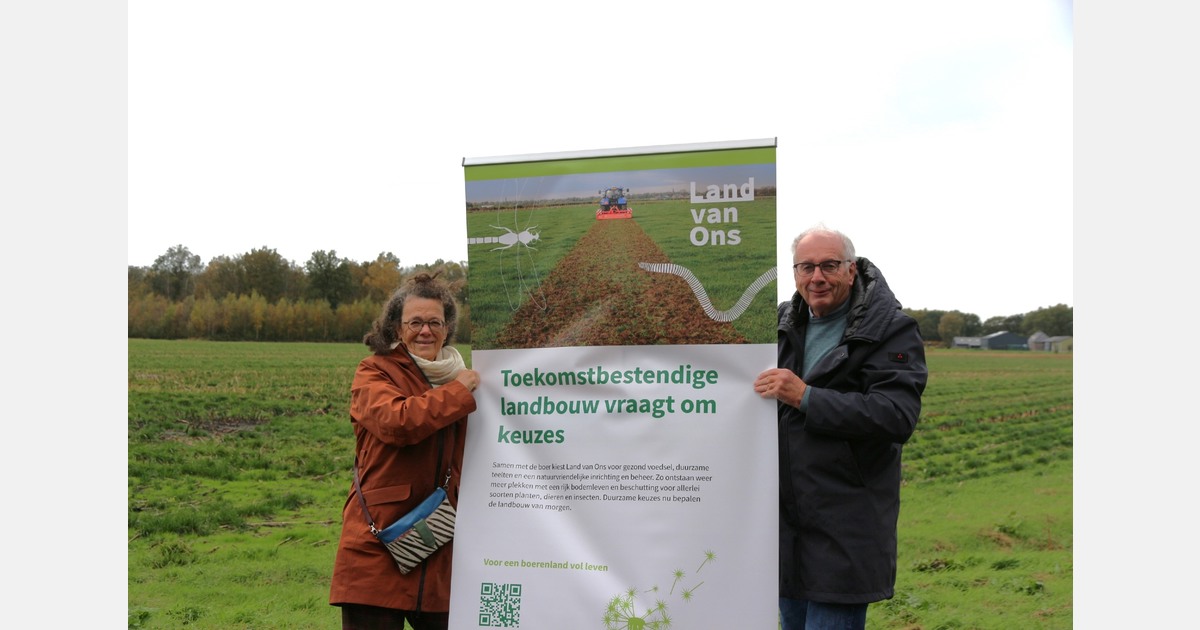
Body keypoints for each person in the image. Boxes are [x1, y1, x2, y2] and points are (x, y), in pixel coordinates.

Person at [753, 225, 927, 630]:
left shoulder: (891, 329)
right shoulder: (778, 325)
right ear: (794, 273)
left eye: (829, 265)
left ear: (851, 270)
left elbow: (895, 415)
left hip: (845, 526)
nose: (817, 277)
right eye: (807, 267)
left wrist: (806, 397)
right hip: (785, 527)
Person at [330, 272, 481, 630]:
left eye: (435, 322)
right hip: (377, 547)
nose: (425, 331)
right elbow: (398, 423)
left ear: (448, 329)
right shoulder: (374, 372)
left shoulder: (462, 378)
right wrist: (459, 393)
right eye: (415, 322)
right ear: (397, 329)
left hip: (442, 545)